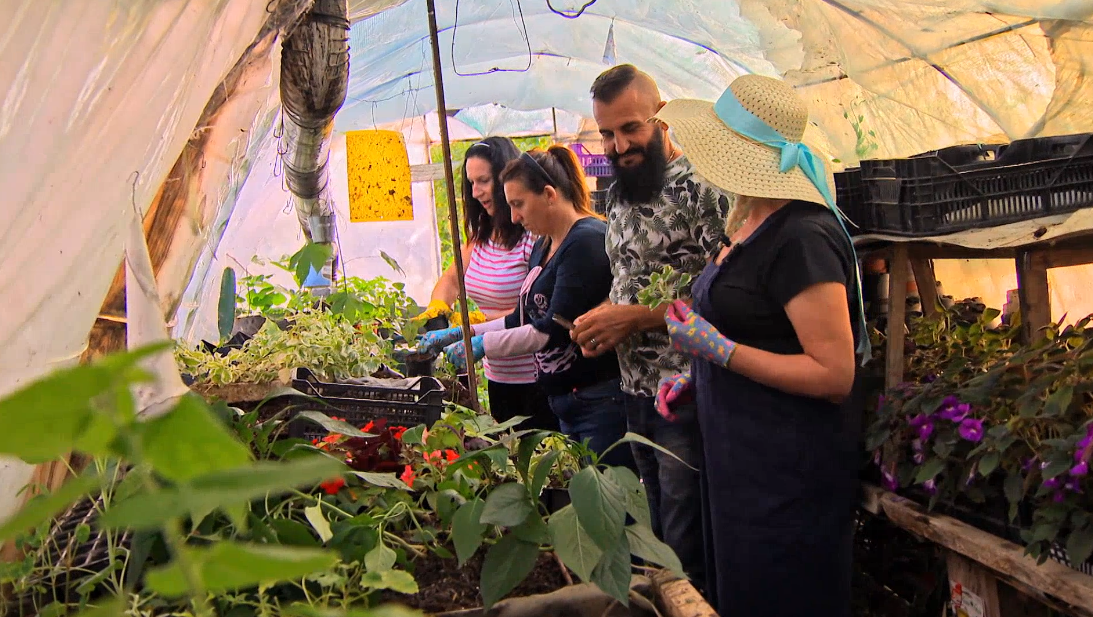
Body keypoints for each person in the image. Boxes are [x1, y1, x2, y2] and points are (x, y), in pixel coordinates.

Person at [654, 74, 869, 616]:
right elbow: (758, 330)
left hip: (787, 477)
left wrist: (720, 352)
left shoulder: (802, 237)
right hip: (743, 465)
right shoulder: (750, 219)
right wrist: (698, 377)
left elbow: (833, 373)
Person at [570, 64, 730, 590]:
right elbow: (631, 279)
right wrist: (602, 321)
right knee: (654, 533)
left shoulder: (705, 189)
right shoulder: (617, 194)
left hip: (686, 391)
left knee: (686, 541)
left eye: (631, 128)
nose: (619, 145)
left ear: (661, 118)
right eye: (607, 133)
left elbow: (729, 297)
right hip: (634, 390)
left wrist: (635, 318)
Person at [435, 146, 637, 471]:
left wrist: (482, 346)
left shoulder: (584, 242)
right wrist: (465, 332)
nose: (514, 216)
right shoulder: (544, 244)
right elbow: (521, 318)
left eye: (518, 204)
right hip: (566, 401)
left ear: (548, 195)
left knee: (609, 498)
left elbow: (552, 331)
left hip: (598, 400)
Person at [418, 137, 555, 431]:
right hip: (498, 374)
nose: (477, 192)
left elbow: (534, 310)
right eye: (471, 183)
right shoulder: (480, 237)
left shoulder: (533, 237)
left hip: (536, 377)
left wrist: (474, 324)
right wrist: (438, 309)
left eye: (483, 181)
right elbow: (451, 280)